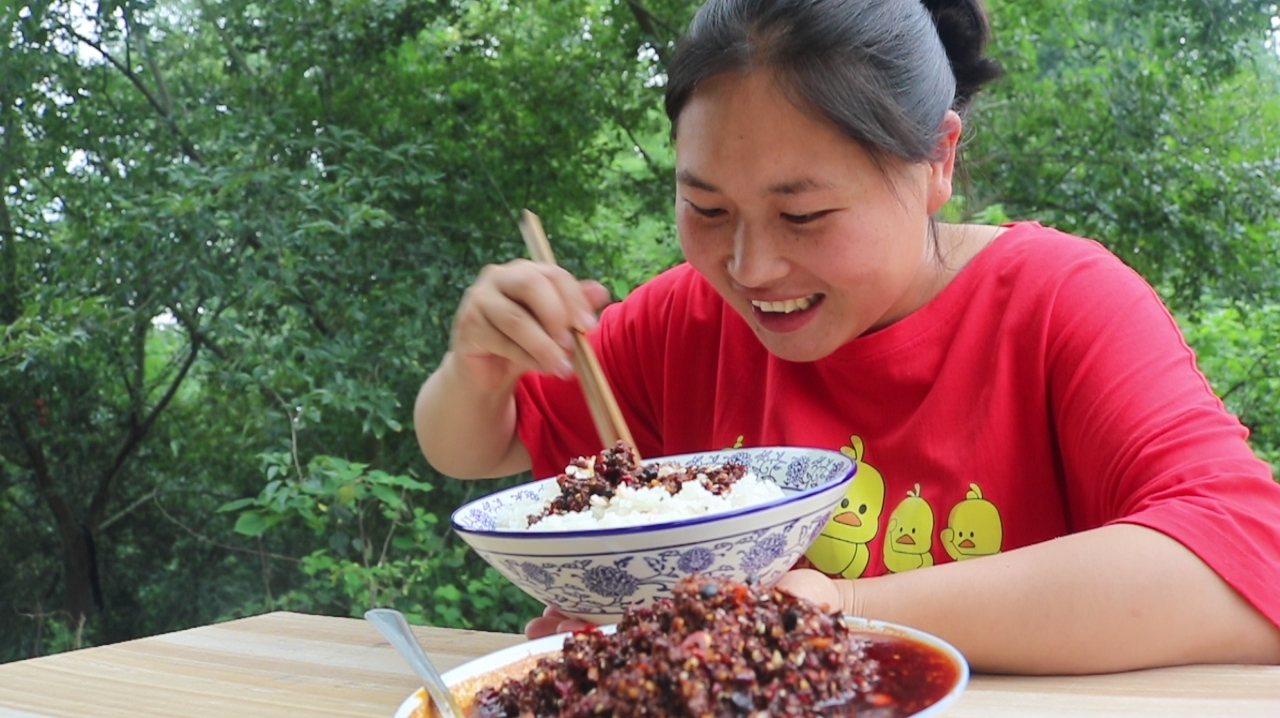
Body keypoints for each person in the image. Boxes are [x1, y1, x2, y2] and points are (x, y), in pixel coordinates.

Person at [414, 0, 1280, 674]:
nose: (750, 268)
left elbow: (1249, 569)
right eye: (707, 208)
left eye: (805, 213)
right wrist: (477, 368)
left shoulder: (1056, 304)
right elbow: (473, 448)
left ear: (937, 160)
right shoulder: (688, 319)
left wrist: (836, 604)